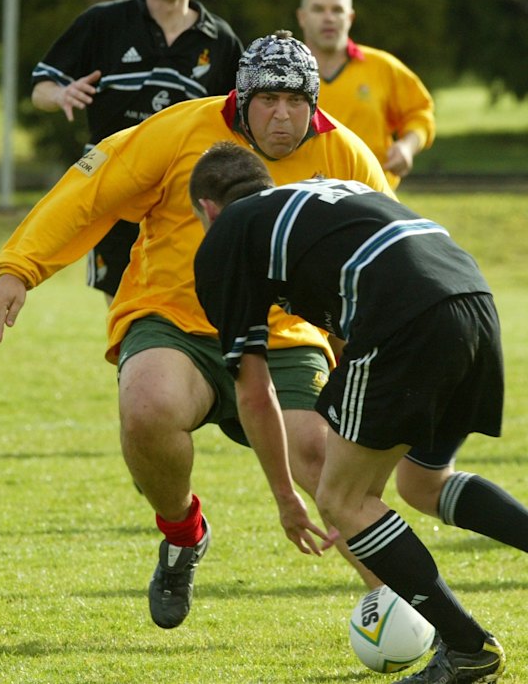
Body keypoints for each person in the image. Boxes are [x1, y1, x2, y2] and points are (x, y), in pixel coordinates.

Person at [0, 30, 396, 631]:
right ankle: (182, 534)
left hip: (283, 336)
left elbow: (388, 249)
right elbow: (89, 191)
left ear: (315, 103)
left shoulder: (347, 154)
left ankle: (413, 608)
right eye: (268, 100)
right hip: (176, 319)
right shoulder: (178, 131)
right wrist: (21, 269)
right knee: (147, 408)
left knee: (323, 460)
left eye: (296, 101)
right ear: (240, 99)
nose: (283, 116)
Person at [189, 141, 528, 683]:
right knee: (422, 481)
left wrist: (286, 498)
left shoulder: (228, 234)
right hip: (471, 296)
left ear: (207, 209)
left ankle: (468, 649)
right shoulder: (318, 196)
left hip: (406, 317)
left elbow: (254, 393)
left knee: (342, 499)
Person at [31, 0, 243, 304]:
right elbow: (41, 86)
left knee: (188, 302)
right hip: (113, 182)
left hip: (184, 192)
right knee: (121, 306)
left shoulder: (222, 40)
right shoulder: (103, 23)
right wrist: (59, 95)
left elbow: (244, 120)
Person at [297, 0, 435, 190]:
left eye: (337, 10)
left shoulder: (383, 67)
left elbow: (420, 112)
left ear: (350, 17)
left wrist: (407, 147)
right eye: (318, 9)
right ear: (302, 17)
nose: (329, 18)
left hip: (373, 197)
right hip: (303, 198)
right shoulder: (285, 74)